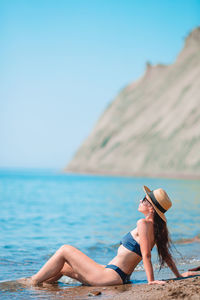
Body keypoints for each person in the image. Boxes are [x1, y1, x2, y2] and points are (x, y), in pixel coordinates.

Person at [23, 186, 183, 286]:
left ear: (152, 209)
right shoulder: (156, 229)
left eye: (144, 199)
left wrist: (150, 281)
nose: (140, 201)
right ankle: (43, 288)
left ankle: (33, 282)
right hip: (115, 274)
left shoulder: (143, 224)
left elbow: (146, 255)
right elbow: (166, 255)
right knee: (62, 268)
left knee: (65, 250)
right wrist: (179, 275)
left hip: (110, 277)